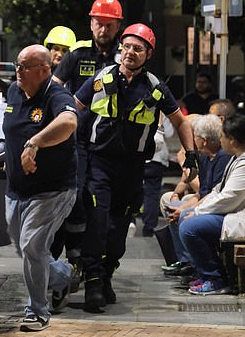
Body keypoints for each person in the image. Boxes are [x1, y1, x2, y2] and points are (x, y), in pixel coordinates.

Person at [74, 23, 197, 311]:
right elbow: (73, 108)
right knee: (97, 220)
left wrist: (190, 154)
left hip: (132, 168)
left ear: (148, 54)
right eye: (126, 46)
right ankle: (92, 280)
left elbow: (180, 121)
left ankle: (106, 274)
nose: (130, 52)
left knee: (119, 229)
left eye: (137, 48)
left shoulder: (155, 88)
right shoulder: (101, 78)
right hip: (98, 164)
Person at [3, 44, 78, 331]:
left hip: (53, 190)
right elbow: (10, 130)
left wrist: (34, 143)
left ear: (45, 71)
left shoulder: (56, 95)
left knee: (32, 245)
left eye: (24, 67)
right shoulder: (13, 91)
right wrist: (8, 159)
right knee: (25, 248)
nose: (18, 71)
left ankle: (37, 311)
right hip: (16, 189)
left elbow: (69, 121)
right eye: (17, 65)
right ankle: (64, 274)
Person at [50, 0, 123, 291]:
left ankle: (101, 270)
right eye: (97, 23)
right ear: (90, 24)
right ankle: (77, 258)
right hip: (78, 141)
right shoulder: (77, 54)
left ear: (118, 25)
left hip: (112, 145)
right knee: (75, 197)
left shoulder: (127, 54)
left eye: (108, 24)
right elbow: (54, 88)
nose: (102, 29)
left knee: (109, 213)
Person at [179, 114, 245, 295]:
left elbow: (228, 198)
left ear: (233, 140)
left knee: (189, 227)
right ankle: (201, 272)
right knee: (185, 216)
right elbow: (219, 190)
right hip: (240, 212)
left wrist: (197, 212)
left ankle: (215, 279)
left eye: (222, 136)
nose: (220, 140)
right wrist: (196, 210)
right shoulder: (240, 156)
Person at [162, 114, 232, 277]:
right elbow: (202, 192)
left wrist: (188, 209)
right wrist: (180, 206)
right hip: (205, 202)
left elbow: (215, 195)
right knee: (173, 208)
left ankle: (205, 271)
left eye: (195, 137)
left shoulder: (222, 158)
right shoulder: (207, 157)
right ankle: (187, 262)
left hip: (217, 208)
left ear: (204, 140)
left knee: (185, 216)